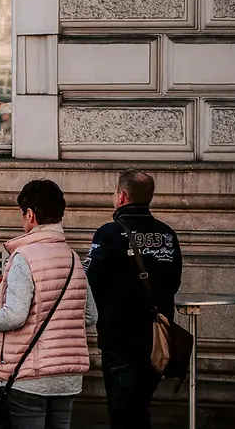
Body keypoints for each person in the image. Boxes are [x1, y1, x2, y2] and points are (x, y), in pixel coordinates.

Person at [0, 179, 97, 429]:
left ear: (30, 215)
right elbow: (90, 316)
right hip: (67, 377)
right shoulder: (73, 257)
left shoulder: (24, 257)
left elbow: (15, 316)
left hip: (29, 377)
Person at [86, 169, 183, 428]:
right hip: (157, 337)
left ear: (122, 196)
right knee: (140, 407)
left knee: (122, 411)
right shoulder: (167, 234)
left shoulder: (108, 233)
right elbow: (174, 282)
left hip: (120, 339)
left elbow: (89, 283)